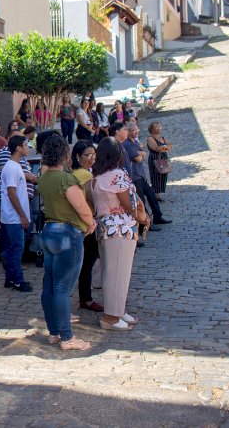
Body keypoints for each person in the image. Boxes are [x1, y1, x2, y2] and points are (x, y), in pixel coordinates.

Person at [37, 135, 96, 350]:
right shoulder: (66, 180)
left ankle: (54, 332)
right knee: (62, 289)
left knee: (49, 286)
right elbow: (82, 208)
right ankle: (67, 338)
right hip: (67, 234)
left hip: (49, 231)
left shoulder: (44, 178)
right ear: (64, 153)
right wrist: (90, 223)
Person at [88, 138, 148, 331]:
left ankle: (117, 310)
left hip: (105, 228)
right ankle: (111, 317)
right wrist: (143, 218)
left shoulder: (96, 177)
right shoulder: (117, 175)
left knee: (111, 272)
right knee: (118, 274)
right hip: (120, 229)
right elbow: (129, 204)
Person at [70, 140, 103, 313]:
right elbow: (94, 199)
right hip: (87, 222)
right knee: (87, 262)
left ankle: (85, 297)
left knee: (86, 262)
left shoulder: (80, 173)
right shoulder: (84, 175)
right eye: (87, 155)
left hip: (82, 223)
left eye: (93, 154)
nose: (91, 158)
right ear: (77, 156)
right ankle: (86, 298)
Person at [0, 135, 33, 292]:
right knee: (17, 249)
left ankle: (10, 278)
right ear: (18, 148)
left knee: (13, 248)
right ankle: (17, 280)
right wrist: (22, 215)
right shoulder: (12, 167)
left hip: (14, 217)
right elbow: (12, 193)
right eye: (26, 145)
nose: (28, 148)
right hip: (13, 218)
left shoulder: (16, 165)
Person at [123, 122, 171, 227]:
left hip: (141, 175)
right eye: (134, 130)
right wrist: (140, 153)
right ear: (128, 132)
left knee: (151, 195)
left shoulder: (134, 142)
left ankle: (157, 217)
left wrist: (140, 152)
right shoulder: (127, 144)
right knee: (141, 201)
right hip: (134, 176)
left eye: (137, 129)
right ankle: (145, 223)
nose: (137, 131)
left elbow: (142, 153)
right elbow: (138, 157)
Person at [147, 122, 172, 199]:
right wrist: (165, 147)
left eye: (159, 126)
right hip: (155, 158)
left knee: (164, 173)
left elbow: (170, 146)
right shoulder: (150, 138)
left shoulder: (163, 138)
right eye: (156, 127)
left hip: (163, 157)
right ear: (152, 129)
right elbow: (156, 148)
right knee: (155, 175)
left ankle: (160, 191)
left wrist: (163, 148)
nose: (159, 128)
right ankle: (155, 193)